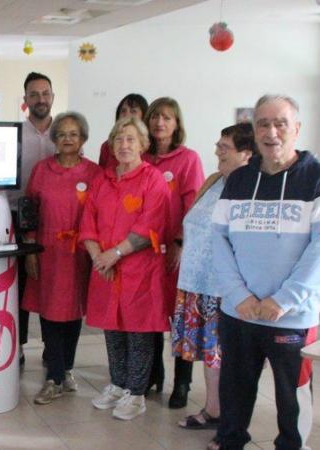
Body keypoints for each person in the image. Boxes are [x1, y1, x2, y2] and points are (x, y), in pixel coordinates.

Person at [211, 95, 320, 450]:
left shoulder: (315, 177)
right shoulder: (239, 180)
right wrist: (239, 296)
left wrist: (284, 300)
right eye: (262, 124)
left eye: (280, 123)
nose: (271, 132)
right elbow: (217, 240)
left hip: (292, 318)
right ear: (254, 130)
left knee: (291, 403)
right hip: (238, 314)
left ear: (297, 129)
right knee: (234, 400)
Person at [81, 117, 170, 421]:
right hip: (105, 268)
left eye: (131, 139)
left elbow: (149, 226)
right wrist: (98, 257)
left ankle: (136, 393)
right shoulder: (102, 179)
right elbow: (88, 223)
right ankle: (117, 384)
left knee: (138, 332)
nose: (124, 145)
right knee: (112, 330)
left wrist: (113, 255)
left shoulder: (153, 179)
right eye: (119, 139)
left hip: (138, 270)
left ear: (144, 144)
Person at [172, 123, 255, 432]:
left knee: (228, 359)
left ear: (247, 154)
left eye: (225, 147)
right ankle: (213, 410)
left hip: (226, 290)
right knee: (210, 356)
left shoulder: (252, 190)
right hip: (195, 284)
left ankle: (232, 423)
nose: (217, 151)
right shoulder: (213, 181)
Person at [22, 111, 101, 404]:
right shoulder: (42, 170)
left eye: (74, 134)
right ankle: (53, 376)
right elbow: (29, 211)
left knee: (73, 311)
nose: (68, 139)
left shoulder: (94, 173)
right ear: (54, 139)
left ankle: (66, 370)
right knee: (50, 312)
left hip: (80, 254)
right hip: (47, 252)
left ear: (82, 139)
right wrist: (30, 248)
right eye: (62, 134)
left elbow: (100, 213)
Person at [143, 97, 204, 408]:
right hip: (146, 251)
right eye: (155, 117)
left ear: (177, 123)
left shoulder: (188, 159)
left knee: (181, 319)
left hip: (178, 253)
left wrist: (179, 243)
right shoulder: (142, 158)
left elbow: (194, 206)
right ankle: (153, 374)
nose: (160, 123)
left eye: (167, 118)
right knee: (150, 315)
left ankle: (182, 383)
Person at [12, 72, 57, 365]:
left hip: (56, 220)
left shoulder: (65, 131)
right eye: (34, 94)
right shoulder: (14, 133)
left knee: (54, 283)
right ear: (25, 100)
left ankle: (53, 349)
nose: (40, 99)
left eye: (45, 93)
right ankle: (18, 346)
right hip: (18, 218)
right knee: (20, 283)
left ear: (52, 97)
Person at [98, 93, 148, 169]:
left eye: (133, 111)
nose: (127, 115)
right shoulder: (107, 146)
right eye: (123, 111)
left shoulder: (152, 146)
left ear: (144, 116)